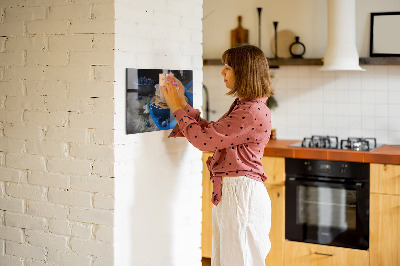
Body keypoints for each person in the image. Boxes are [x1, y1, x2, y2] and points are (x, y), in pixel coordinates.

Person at [161, 44, 273, 266]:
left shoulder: (250, 111)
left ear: (244, 72)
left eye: (228, 67)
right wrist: (182, 103)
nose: (222, 72)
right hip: (236, 193)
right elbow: (212, 133)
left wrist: (176, 107)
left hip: (241, 195)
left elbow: (204, 141)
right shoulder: (246, 106)